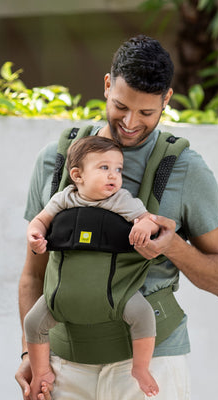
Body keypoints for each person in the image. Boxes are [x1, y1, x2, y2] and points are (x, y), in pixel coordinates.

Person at [15, 34, 218, 400]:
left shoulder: (185, 169)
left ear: (166, 99)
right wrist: (29, 354)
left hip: (152, 365)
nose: (130, 122)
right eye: (120, 106)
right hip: (63, 367)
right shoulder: (56, 161)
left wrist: (173, 247)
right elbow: (33, 274)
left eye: (146, 113)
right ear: (107, 85)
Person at [24, 135, 160, 399]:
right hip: (62, 295)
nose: (113, 175)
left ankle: (141, 368)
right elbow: (40, 220)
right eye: (104, 167)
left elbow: (149, 219)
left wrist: (145, 225)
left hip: (115, 294)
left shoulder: (121, 201)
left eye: (118, 169)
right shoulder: (64, 199)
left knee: (144, 315)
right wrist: (35, 235)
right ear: (77, 175)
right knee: (33, 323)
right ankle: (41, 371)